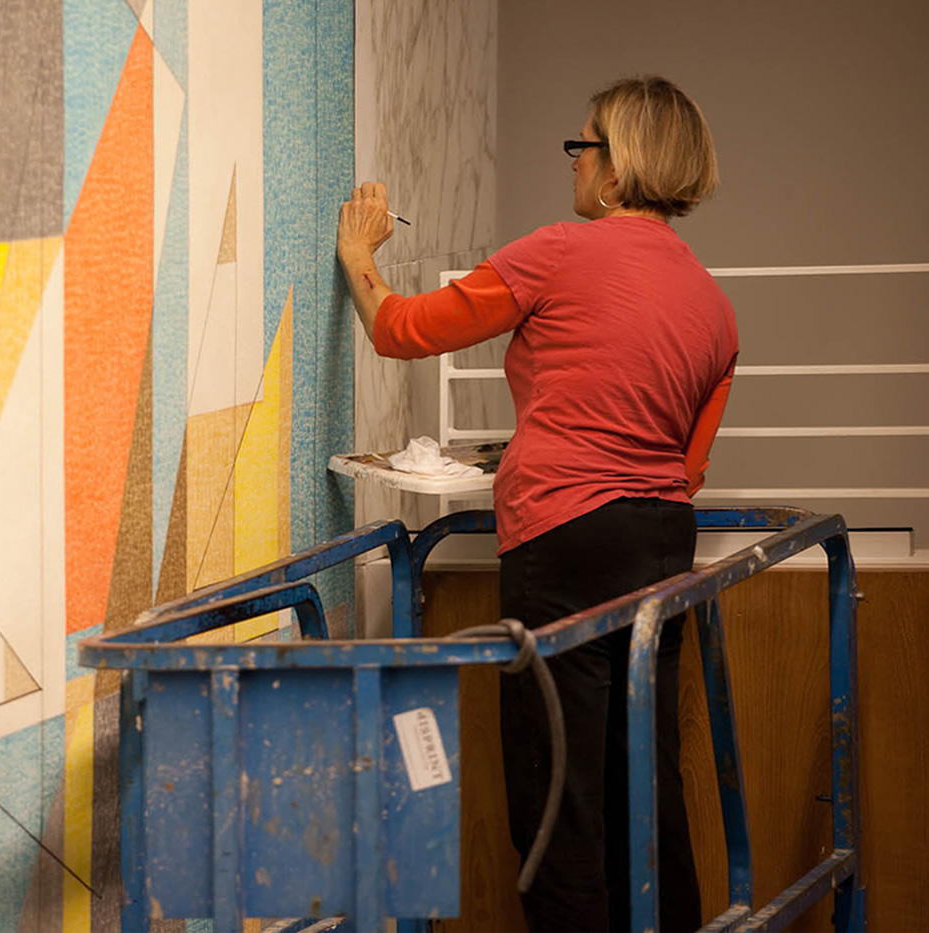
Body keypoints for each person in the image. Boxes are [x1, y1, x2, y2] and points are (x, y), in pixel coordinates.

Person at [336, 75, 736, 932]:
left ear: (617, 163)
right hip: (664, 543)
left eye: (582, 146)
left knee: (559, 786)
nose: (574, 164)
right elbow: (686, 466)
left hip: (564, 541)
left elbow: (402, 329)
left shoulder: (560, 251)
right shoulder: (712, 303)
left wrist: (358, 253)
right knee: (646, 775)